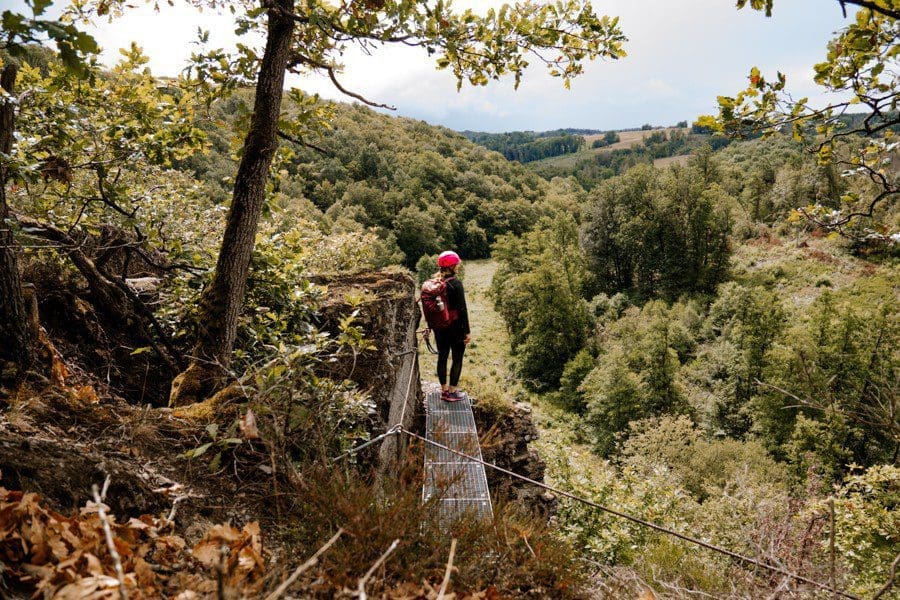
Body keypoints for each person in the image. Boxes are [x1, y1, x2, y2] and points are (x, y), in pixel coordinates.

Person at [433, 250, 470, 401]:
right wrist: (466, 332)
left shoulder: (435, 283)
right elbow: (462, 309)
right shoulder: (456, 284)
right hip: (455, 328)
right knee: (457, 358)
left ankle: (444, 391)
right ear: (452, 266)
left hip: (440, 328)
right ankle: (453, 392)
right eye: (456, 264)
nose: (458, 267)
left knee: (442, 357)